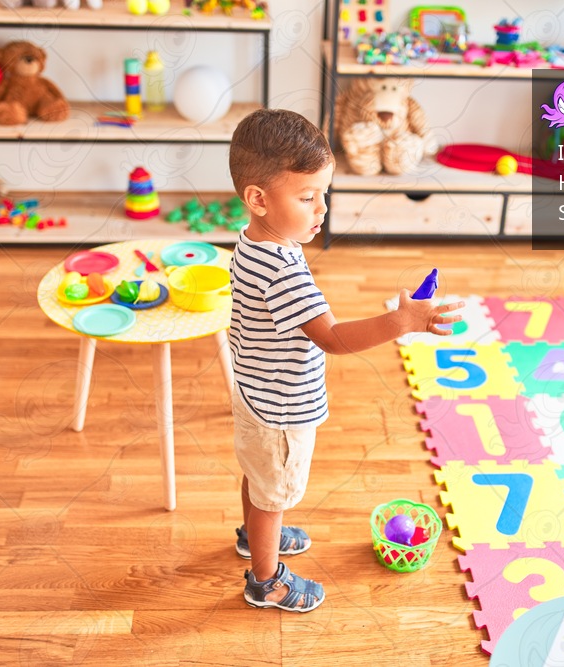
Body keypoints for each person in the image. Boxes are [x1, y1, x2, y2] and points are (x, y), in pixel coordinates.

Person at [227, 109, 463, 613]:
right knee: (274, 492)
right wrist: (401, 323)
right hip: (281, 409)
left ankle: (254, 535)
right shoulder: (282, 270)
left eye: (324, 195)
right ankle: (265, 580)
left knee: (260, 478)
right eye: (308, 197)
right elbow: (331, 337)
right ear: (258, 198)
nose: (322, 209)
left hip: (253, 391)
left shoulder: (253, 243)